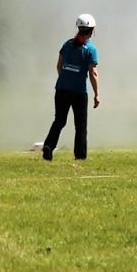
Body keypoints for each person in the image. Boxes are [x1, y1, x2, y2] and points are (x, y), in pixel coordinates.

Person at [41, 13, 100, 161]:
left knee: (59, 120)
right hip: (79, 92)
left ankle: (48, 145)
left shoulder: (67, 44)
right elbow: (93, 73)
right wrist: (97, 94)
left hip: (61, 89)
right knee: (80, 125)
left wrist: (64, 79)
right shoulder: (90, 49)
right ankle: (80, 155)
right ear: (92, 30)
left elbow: (59, 65)